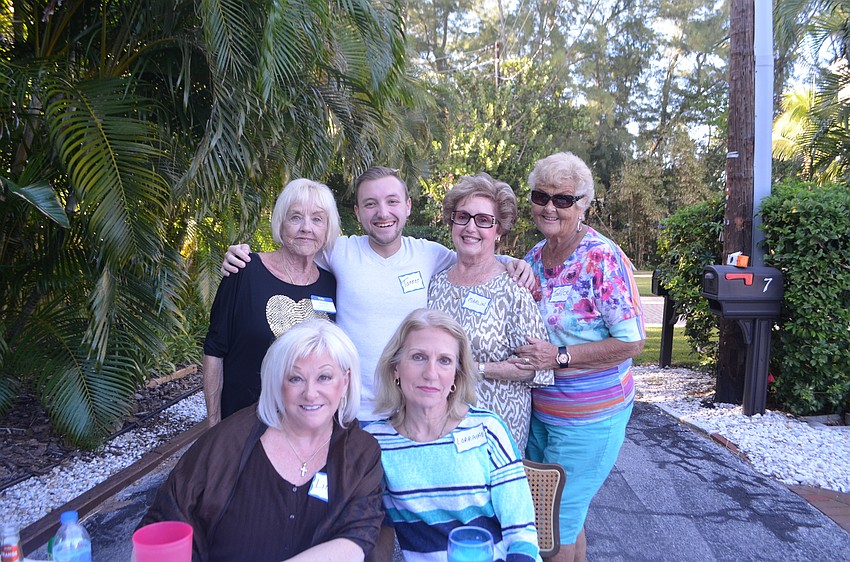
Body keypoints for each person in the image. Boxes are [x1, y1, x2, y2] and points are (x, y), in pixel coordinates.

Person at [221, 167, 534, 422]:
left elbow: (475, 256)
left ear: (408, 206)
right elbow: (294, 251)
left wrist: (512, 263)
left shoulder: (430, 255)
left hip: (408, 412)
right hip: (347, 410)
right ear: (357, 212)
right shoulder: (339, 251)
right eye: (370, 204)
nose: (382, 212)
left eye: (392, 202)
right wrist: (244, 256)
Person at [141, 319, 385, 562]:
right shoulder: (226, 443)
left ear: (345, 381)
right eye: (295, 378)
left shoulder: (361, 453)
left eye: (324, 377)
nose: (310, 393)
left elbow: (358, 536)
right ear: (277, 383)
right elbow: (163, 524)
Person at [509, 152, 645, 562]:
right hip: (542, 411)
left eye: (563, 199)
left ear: (583, 204)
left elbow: (632, 341)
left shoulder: (601, 258)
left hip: (590, 418)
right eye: (541, 196)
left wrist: (559, 357)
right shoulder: (534, 257)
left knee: (550, 531)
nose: (550, 207)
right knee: (567, 519)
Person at [365, 308, 540, 562]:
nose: (431, 373)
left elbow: (522, 534)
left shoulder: (487, 429)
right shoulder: (377, 444)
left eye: (444, 361)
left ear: (456, 375)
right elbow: (375, 527)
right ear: (395, 369)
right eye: (418, 357)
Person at [427, 173, 552, 451]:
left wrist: (475, 369)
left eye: (483, 220)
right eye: (463, 216)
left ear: (498, 232)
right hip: (438, 425)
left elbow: (536, 367)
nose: (471, 227)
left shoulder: (514, 288)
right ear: (452, 221)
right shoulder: (436, 284)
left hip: (494, 430)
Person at [203, 178, 340, 426]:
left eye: (317, 219)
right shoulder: (244, 271)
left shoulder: (331, 284)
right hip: (243, 424)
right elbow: (214, 351)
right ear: (280, 223)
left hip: (305, 428)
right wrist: (214, 424)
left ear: (328, 228)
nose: (306, 228)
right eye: (296, 217)